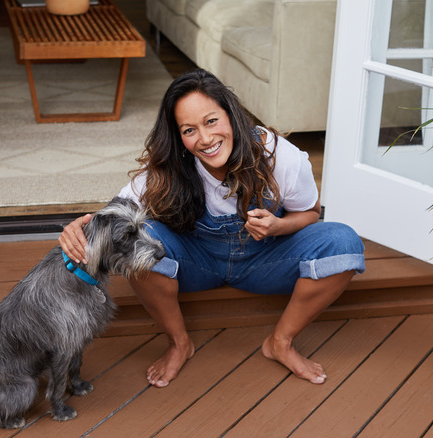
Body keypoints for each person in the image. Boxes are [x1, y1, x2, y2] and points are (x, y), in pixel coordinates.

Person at [59, 69, 365, 388]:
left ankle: (281, 342)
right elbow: (112, 216)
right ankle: (179, 342)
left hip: (267, 261)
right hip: (196, 264)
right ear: (178, 137)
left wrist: (278, 226)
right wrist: (77, 229)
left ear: (231, 115)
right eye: (189, 130)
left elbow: (310, 214)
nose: (205, 139)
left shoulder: (278, 156)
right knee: (141, 244)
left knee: (344, 242)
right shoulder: (169, 167)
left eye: (211, 121)